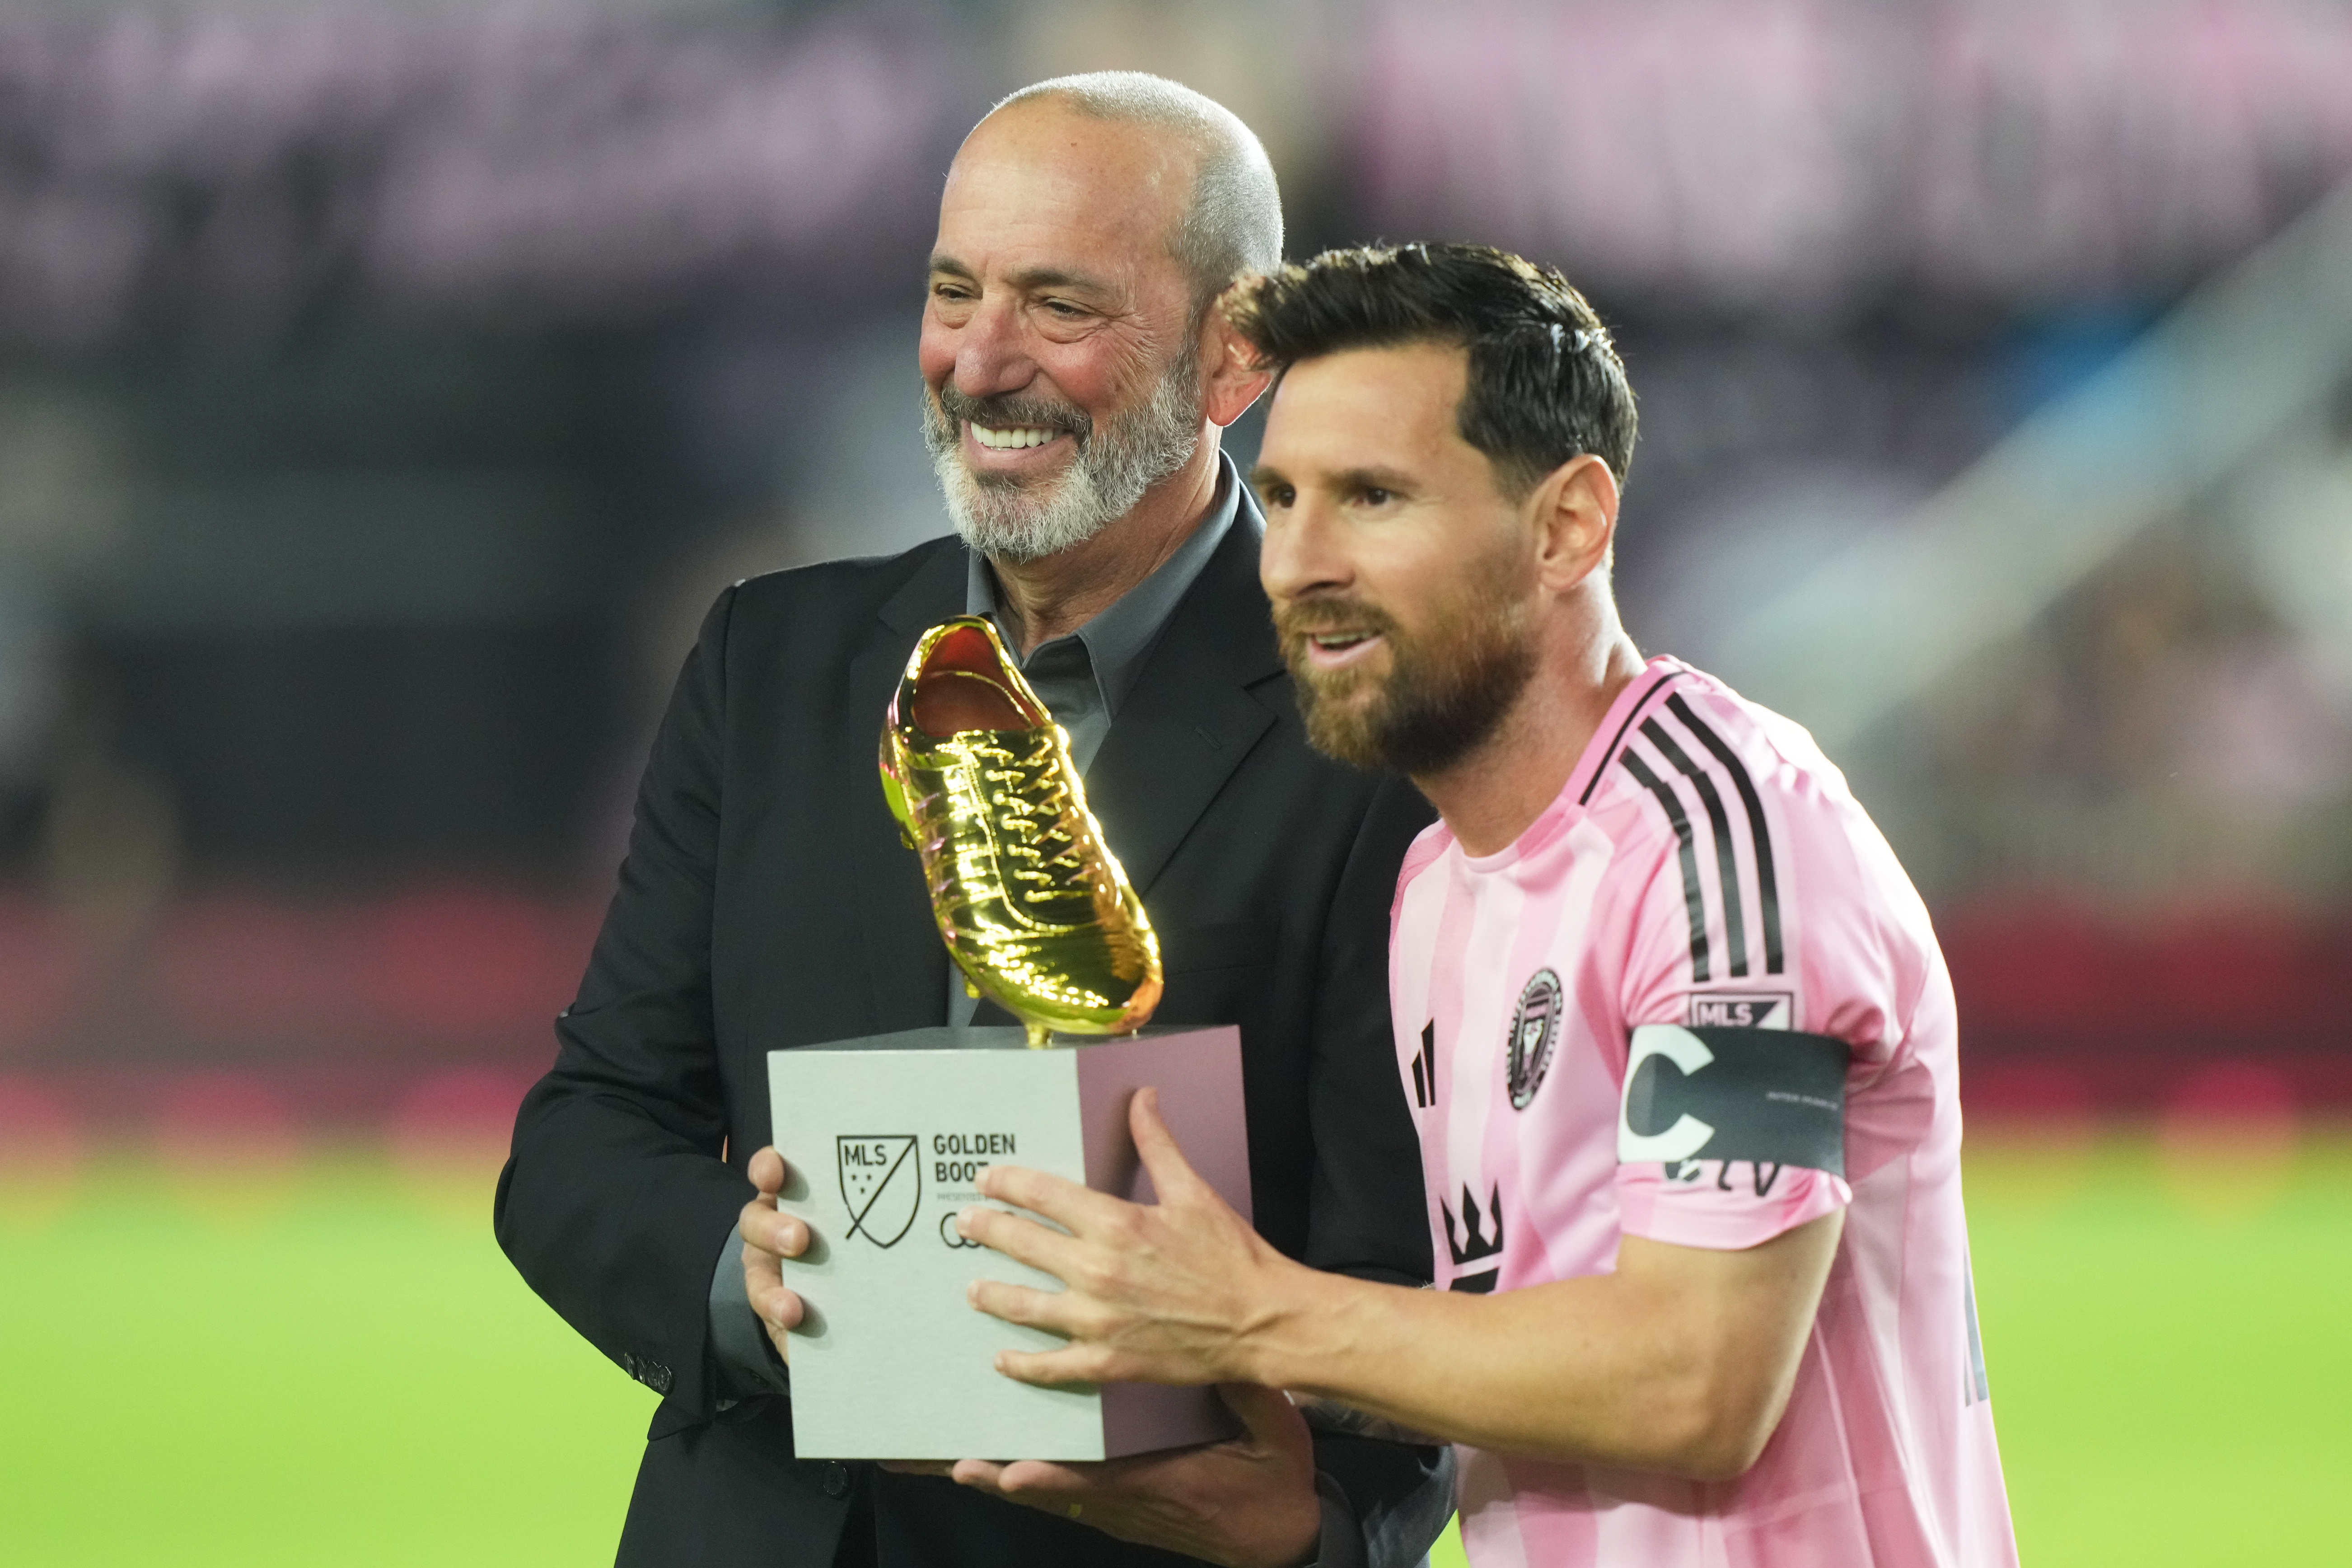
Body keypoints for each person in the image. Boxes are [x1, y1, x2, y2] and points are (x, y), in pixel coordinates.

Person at [495, 75, 1449, 1568]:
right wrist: (755, 1289)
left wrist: (1313, 1531)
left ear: (1234, 353)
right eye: (954, 291)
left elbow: (1426, 1281)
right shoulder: (769, 663)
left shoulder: (1380, 736)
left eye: (1059, 307)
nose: (979, 362)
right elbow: (586, 1135)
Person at [956, 243, 2021, 1566]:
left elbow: (1699, 1381)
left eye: (1374, 498)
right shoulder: (1433, 879)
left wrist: (1252, 1319)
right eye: (1281, 497)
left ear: (1567, 525)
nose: (1296, 563)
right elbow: (1508, 1336)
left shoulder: (1724, 841)